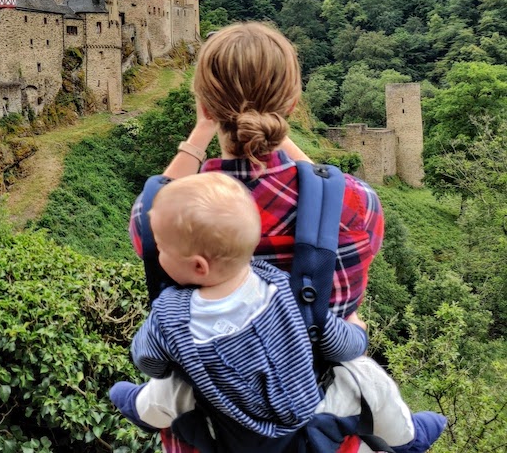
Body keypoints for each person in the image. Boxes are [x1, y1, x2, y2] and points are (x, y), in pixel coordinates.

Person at [125, 22, 442, 453]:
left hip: (211, 436)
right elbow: (328, 188)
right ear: (292, 103)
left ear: (203, 102)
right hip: (321, 434)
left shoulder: (163, 221)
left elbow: (152, 210)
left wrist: (200, 134)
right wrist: (278, 131)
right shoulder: (356, 205)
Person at [110, 174, 445, 453]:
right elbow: (335, 340)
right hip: (304, 414)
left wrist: (175, 355)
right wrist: (357, 331)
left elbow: (149, 362)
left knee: (170, 388)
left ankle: (136, 406)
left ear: (198, 265)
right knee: (365, 376)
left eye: (162, 250)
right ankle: (406, 438)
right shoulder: (282, 287)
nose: (158, 255)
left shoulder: (171, 312)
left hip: (225, 424)